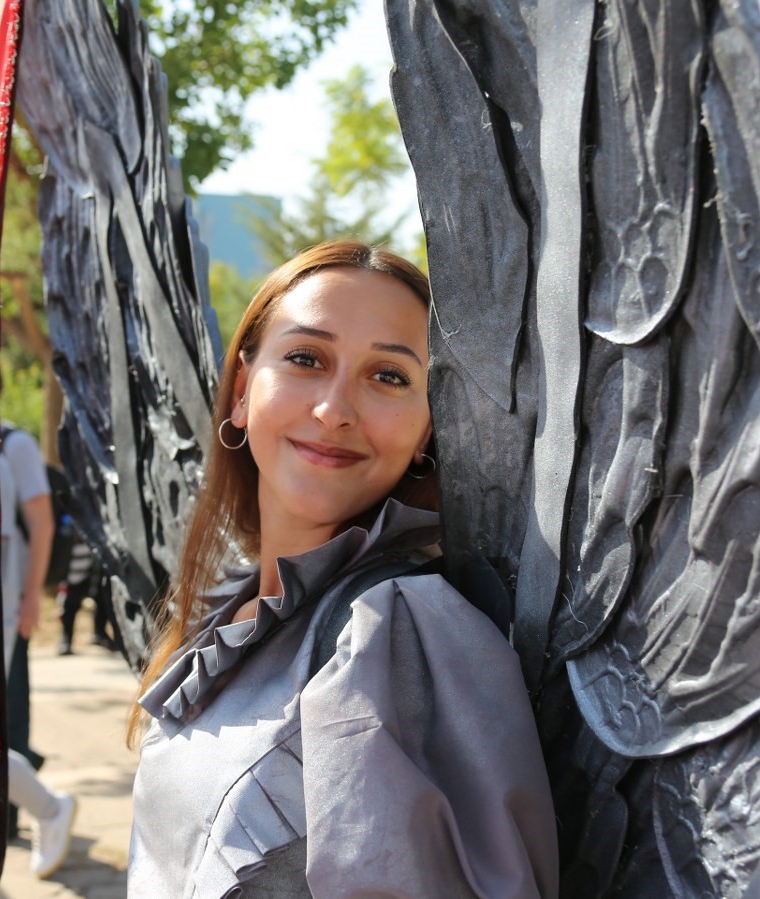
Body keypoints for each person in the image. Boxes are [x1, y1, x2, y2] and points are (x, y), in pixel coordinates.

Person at [128, 241, 559, 897]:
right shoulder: (231, 606)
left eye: (388, 376)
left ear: (425, 432)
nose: (334, 409)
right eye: (306, 358)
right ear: (242, 391)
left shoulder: (397, 630)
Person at [0, 420, 77, 877]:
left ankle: (45, 808)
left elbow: (41, 523)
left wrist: (31, 599)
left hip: (0, 606)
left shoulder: (15, 443)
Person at [56, 536, 116, 655]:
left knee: (102, 602)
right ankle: (66, 641)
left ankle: (99, 634)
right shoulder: (67, 535)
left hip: (91, 575)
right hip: (71, 578)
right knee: (69, 608)